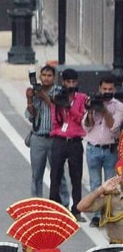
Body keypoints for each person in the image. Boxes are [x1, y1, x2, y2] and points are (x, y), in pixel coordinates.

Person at [83, 77, 123, 226]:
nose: (107, 92)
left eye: (110, 89)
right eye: (104, 89)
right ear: (99, 89)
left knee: (110, 185)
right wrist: (91, 110)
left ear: (114, 90)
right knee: (95, 184)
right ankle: (96, 216)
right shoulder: (93, 101)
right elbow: (86, 126)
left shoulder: (118, 106)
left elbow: (114, 126)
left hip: (110, 149)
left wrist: (104, 110)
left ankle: (108, 214)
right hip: (93, 148)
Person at [26, 64, 68, 203]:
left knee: (58, 174)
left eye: (49, 75)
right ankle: (36, 204)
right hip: (38, 137)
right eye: (44, 75)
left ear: (54, 78)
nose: (46, 78)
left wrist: (44, 96)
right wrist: (30, 99)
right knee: (36, 175)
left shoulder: (59, 91)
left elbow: (60, 109)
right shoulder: (35, 91)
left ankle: (64, 203)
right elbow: (31, 116)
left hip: (55, 138)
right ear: (40, 77)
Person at [49, 69, 88, 219]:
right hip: (59, 140)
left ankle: (76, 210)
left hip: (75, 141)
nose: (71, 85)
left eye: (73, 82)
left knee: (76, 176)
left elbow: (81, 118)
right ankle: (54, 207)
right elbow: (55, 121)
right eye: (68, 82)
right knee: (55, 175)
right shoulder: (58, 98)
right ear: (63, 82)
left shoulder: (82, 98)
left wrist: (69, 108)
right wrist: (61, 105)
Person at [79, 167, 123, 243]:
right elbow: (81, 207)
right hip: (116, 246)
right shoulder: (110, 197)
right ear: (119, 179)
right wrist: (101, 189)